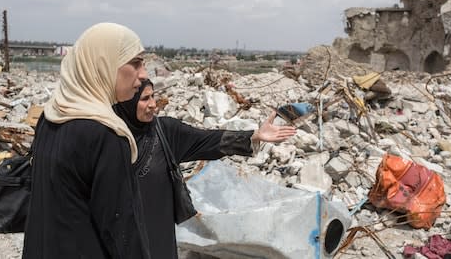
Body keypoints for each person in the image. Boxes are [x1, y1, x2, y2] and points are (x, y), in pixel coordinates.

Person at [113, 79, 297, 258]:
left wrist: (255, 135)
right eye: (145, 99)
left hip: (158, 237)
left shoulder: (164, 132)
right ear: (126, 100)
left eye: (153, 96)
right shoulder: (106, 137)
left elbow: (207, 139)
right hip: (118, 236)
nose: (153, 104)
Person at [23, 23, 151, 259]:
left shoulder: (51, 117)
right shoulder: (106, 136)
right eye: (135, 63)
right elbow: (121, 231)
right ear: (104, 65)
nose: (143, 74)